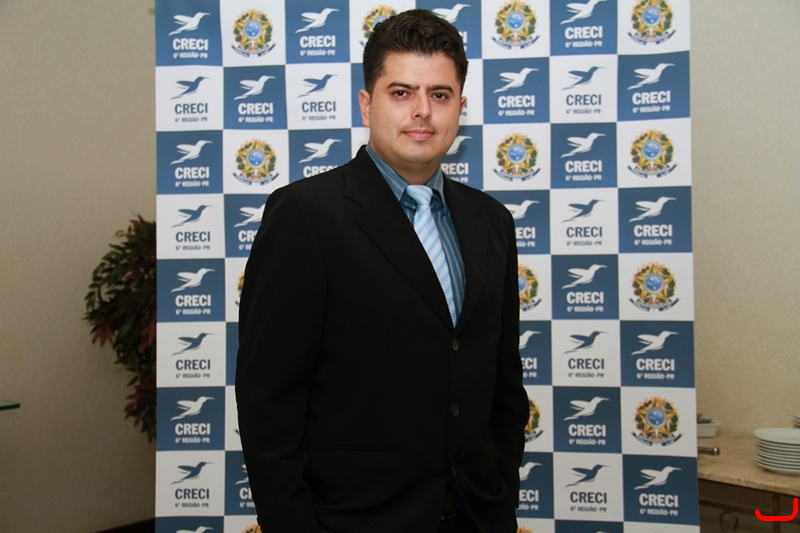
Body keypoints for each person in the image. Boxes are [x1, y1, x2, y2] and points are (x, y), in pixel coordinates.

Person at [236, 9, 528, 533]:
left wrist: (500, 498)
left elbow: (503, 387)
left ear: (460, 108)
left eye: (440, 95)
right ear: (367, 104)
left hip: (476, 515)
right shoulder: (306, 215)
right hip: (354, 520)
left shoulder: (492, 221)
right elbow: (268, 404)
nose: (422, 111)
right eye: (401, 92)